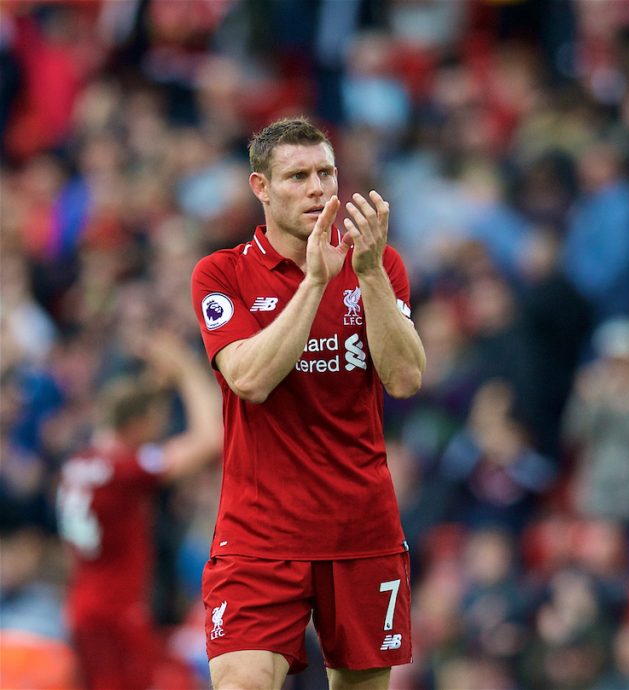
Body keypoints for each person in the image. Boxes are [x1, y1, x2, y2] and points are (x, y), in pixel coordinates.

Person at [189, 116, 425, 690]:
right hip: (259, 536)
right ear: (260, 188)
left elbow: (406, 377)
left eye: (326, 173)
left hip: (360, 529)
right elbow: (249, 377)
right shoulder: (222, 273)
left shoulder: (382, 266)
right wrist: (314, 281)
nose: (318, 188)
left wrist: (367, 275)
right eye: (297, 176)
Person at [57, 334, 222, 690]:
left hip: (83, 602)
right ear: (137, 424)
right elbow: (209, 440)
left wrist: (152, 384)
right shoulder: (126, 470)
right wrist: (187, 371)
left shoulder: (80, 462)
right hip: (116, 609)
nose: (158, 431)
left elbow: (124, 412)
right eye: (154, 422)